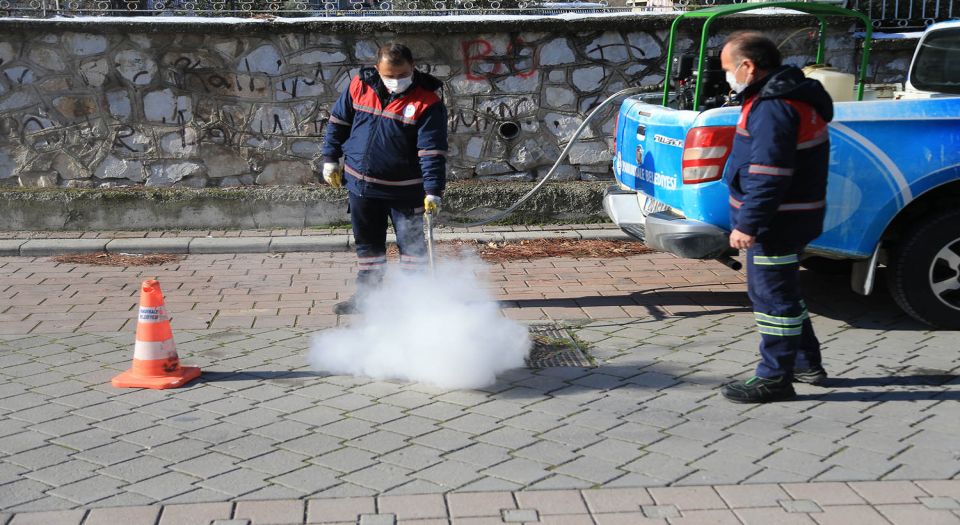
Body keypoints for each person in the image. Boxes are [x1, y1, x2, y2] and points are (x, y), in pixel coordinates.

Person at [718, 32, 834, 403]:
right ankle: (804, 362)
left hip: (777, 222)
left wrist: (748, 225)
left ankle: (775, 378)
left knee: (772, 298)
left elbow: (770, 173)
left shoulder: (772, 106)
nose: (727, 77)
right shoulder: (789, 96)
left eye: (727, 69)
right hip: (792, 217)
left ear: (747, 66)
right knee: (783, 291)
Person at [321, 43, 448, 315]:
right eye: (389, 75)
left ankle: (415, 301)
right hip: (360, 186)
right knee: (368, 247)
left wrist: (433, 190)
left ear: (413, 67)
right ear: (377, 69)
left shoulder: (428, 102)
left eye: (402, 75)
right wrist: (330, 159)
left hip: (406, 192)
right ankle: (368, 298)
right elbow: (338, 122)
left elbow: (431, 151)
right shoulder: (360, 86)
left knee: (412, 250)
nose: (396, 81)